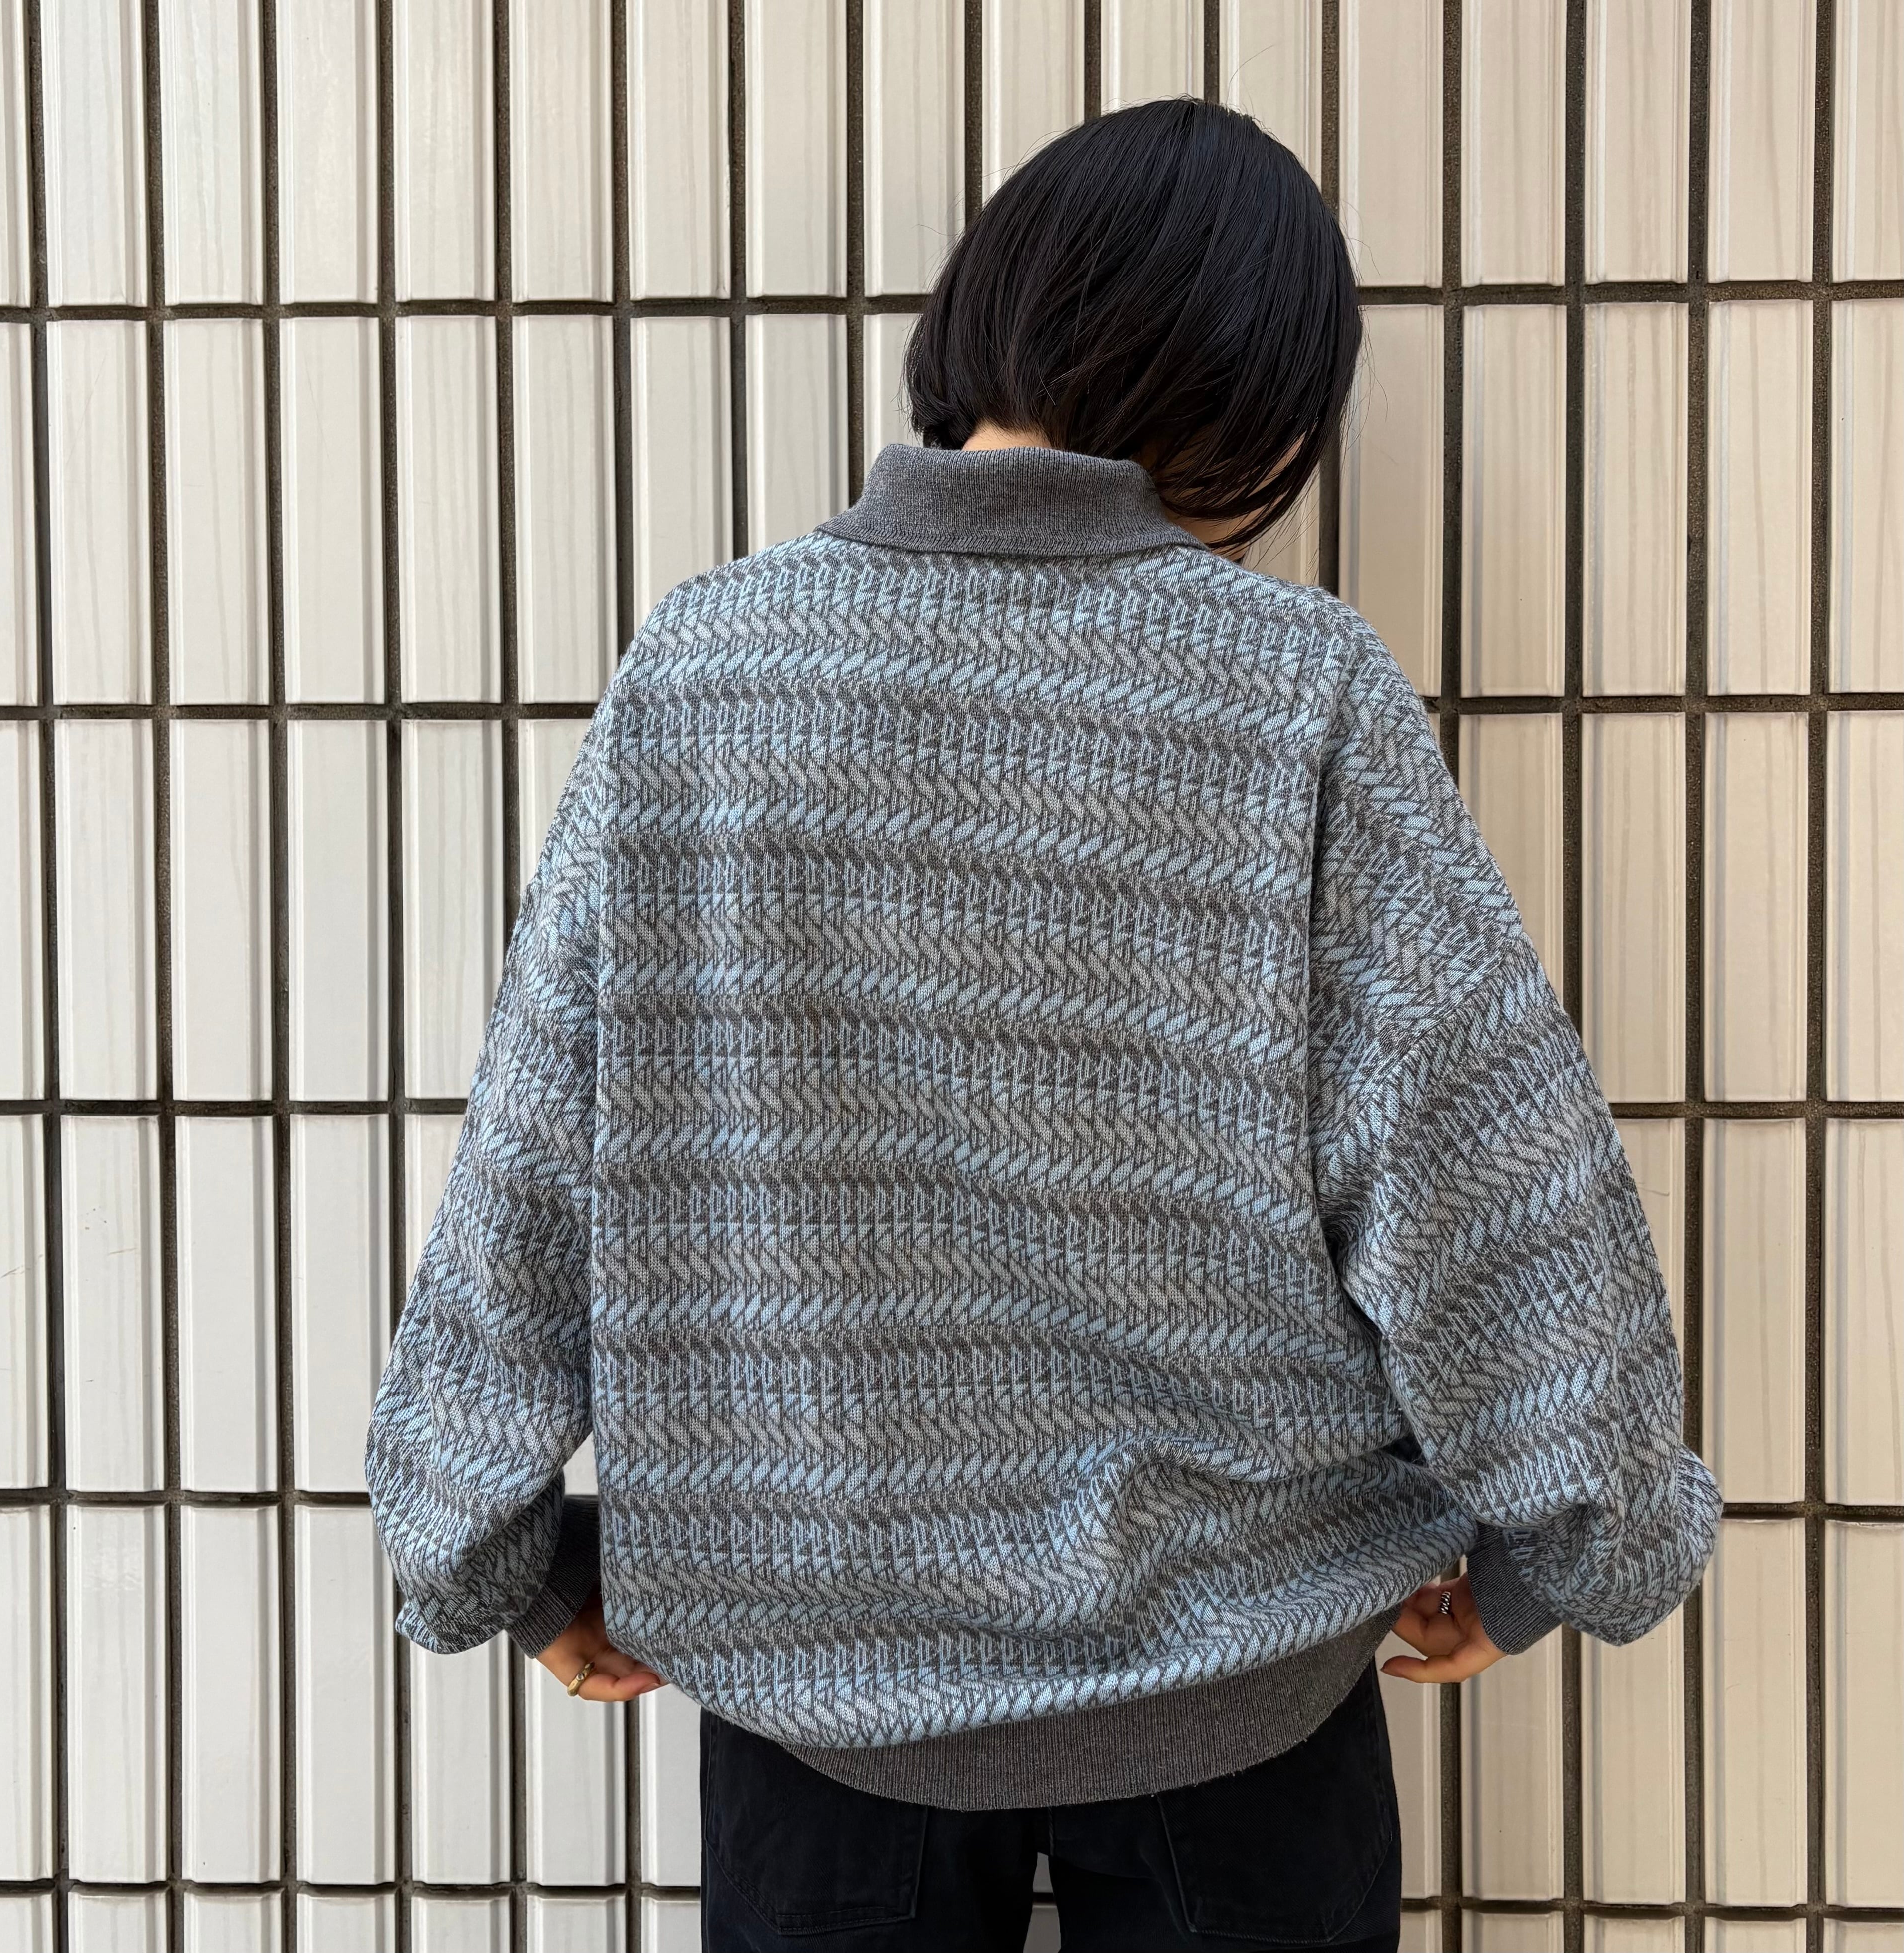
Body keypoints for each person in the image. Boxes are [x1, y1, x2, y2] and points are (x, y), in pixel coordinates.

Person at [365, 97, 1721, 1952]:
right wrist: (1574, 1541)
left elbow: (542, 1151)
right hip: (1235, 1695)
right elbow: (1480, 1165)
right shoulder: (1294, 696)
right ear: (1251, 398)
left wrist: (491, 1546)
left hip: (818, 1699)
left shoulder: (707, 670)